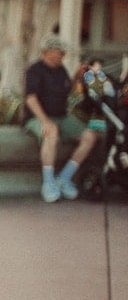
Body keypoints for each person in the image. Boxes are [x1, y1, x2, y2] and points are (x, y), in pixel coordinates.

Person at [23, 36, 99, 202]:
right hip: (37, 118)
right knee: (51, 132)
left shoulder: (61, 70)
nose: (61, 56)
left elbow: (67, 91)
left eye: (62, 53)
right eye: (58, 53)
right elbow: (31, 99)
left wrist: (78, 77)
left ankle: (64, 178)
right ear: (47, 53)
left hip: (61, 117)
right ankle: (48, 183)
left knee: (90, 136)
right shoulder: (35, 70)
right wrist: (45, 122)